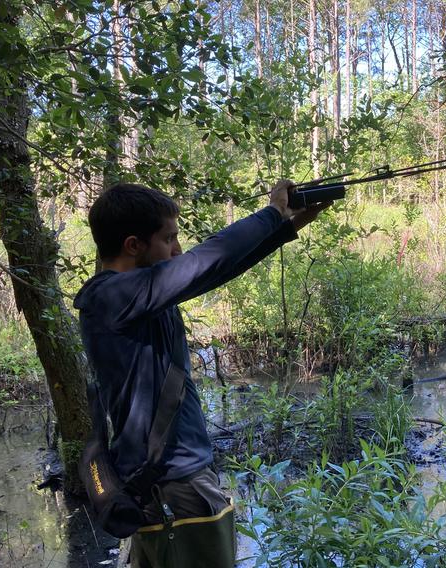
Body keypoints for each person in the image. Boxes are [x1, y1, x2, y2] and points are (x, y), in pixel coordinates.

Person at [73, 180, 329, 567]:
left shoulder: (135, 297)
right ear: (133, 245)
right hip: (174, 491)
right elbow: (202, 262)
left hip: (170, 487)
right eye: (169, 239)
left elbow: (212, 270)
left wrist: (286, 227)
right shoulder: (112, 297)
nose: (177, 250)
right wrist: (272, 213)